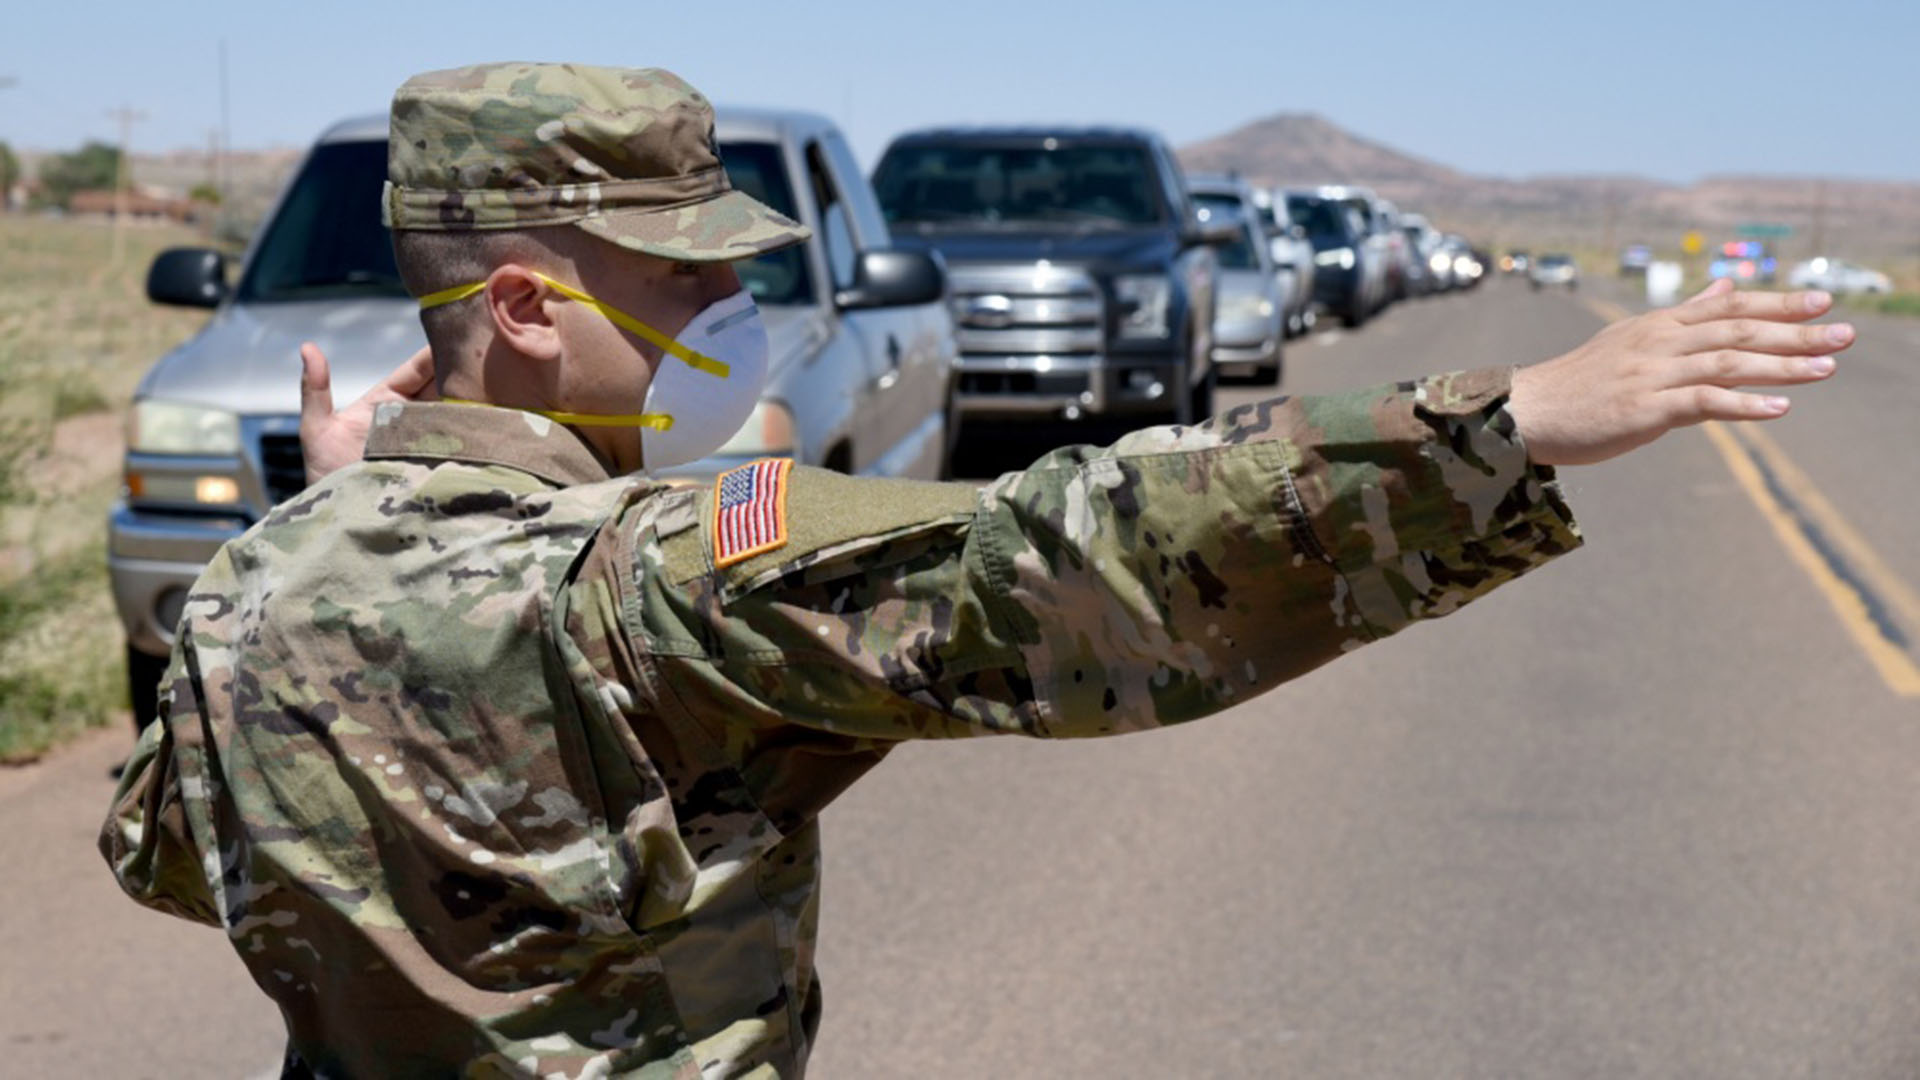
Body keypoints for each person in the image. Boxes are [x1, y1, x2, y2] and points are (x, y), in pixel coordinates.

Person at [102, 61, 1850, 1078]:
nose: (730, 314)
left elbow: (180, 860)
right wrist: (1507, 421)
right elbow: (1065, 553)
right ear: (524, 311)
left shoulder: (256, 587)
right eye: (682, 281)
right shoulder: (649, 582)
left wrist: (328, 518)